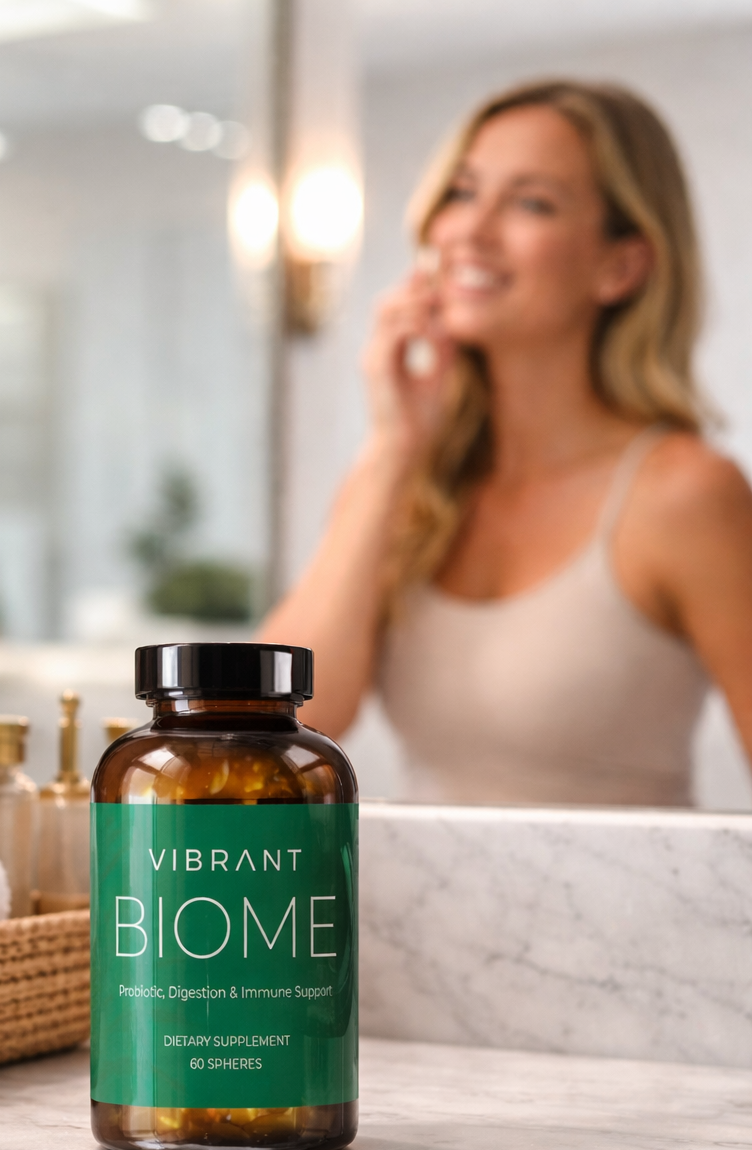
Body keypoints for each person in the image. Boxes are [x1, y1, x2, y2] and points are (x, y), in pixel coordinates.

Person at [261, 80, 752, 806]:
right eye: (462, 192)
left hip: (626, 920)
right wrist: (394, 448)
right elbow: (274, 730)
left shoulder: (683, 494)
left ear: (621, 265)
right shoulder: (406, 487)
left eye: (531, 203)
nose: (469, 231)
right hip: (412, 920)